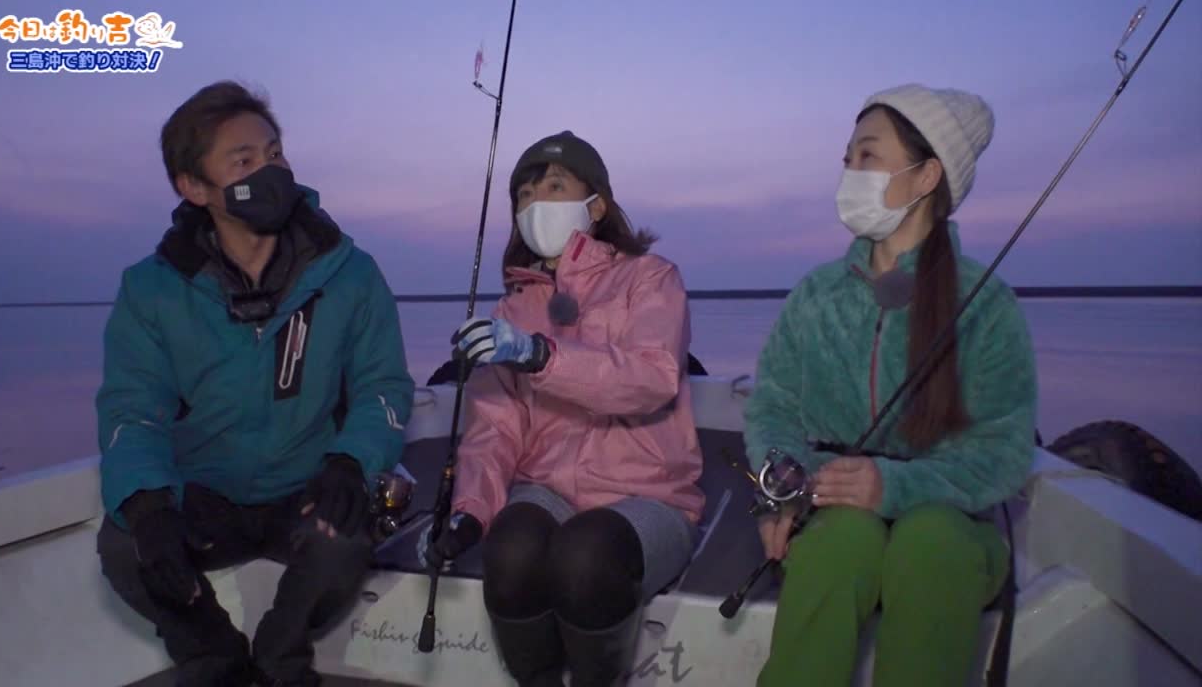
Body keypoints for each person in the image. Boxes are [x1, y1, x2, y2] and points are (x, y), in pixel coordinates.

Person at [94, 80, 414, 687]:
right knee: (125, 544)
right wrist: (149, 507)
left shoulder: (351, 274)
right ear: (195, 188)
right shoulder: (151, 290)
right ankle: (217, 659)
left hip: (307, 484)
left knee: (343, 537)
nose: (271, 171)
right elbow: (131, 412)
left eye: (274, 153)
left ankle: (278, 658)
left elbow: (384, 387)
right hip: (206, 492)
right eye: (243, 162)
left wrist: (351, 461)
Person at [743, 84, 1037, 687]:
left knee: (931, 544)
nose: (849, 171)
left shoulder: (986, 304)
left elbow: (1003, 452)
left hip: (953, 522)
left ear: (926, 175)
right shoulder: (816, 295)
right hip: (832, 508)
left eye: (868, 155)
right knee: (840, 543)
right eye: (847, 158)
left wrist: (894, 486)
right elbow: (774, 408)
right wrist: (784, 488)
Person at [426, 131, 704, 687]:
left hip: (649, 494)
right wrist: (470, 511)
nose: (537, 203)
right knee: (510, 551)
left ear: (596, 206)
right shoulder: (513, 309)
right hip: (547, 487)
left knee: (585, 558)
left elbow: (651, 378)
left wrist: (541, 356)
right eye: (525, 195)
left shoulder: (651, 278)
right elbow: (494, 427)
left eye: (555, 187)